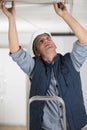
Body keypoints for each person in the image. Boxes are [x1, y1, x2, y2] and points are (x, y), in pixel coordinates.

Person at [0, 1, 87, 130]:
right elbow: (15, 51)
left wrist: (64, 15)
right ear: (37, 52)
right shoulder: (34, 68)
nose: (46, 41)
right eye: (41, 41)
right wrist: (11, 19)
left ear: (55, 45)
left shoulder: (71, 62)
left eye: (48, 38)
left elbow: (84, 41)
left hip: (74, 126)